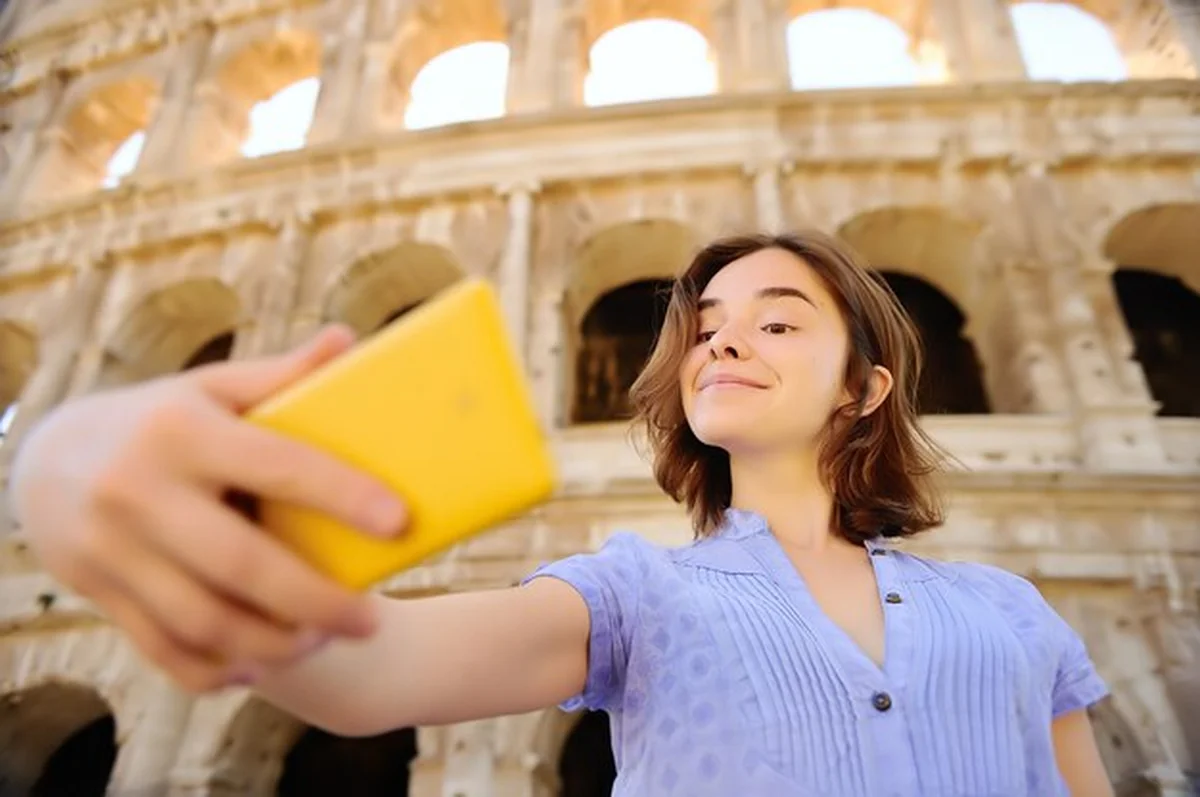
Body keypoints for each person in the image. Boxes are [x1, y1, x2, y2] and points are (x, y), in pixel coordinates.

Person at [10, 231, 1114, 796]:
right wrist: (68, 467)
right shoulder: (636, 589)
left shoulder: (1013, 611)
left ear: (865, 386)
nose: (723, 340)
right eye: (708, 325)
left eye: (779, 324)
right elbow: (368, 673)